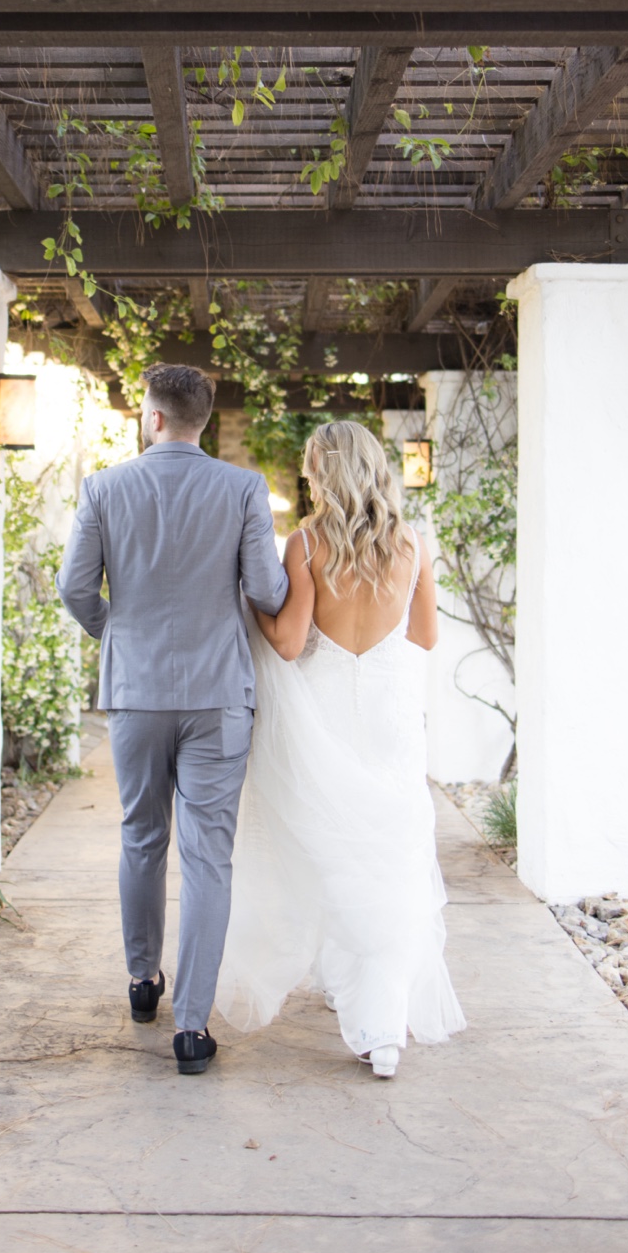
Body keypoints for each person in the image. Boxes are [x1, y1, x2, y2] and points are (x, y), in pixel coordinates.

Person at [215, 419, 466, 1078]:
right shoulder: (413, 544)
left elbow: (291, 644)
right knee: (389, 852)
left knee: (327, 849)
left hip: (322, 710)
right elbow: (427, 638)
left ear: (324, 472)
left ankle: (372, 1014)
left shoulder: (304, 544)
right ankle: (378, 1014)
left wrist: (250, 608)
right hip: (387, 713)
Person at [56, 363, 287, 1076]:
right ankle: (193, 1029)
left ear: (152, 418)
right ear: (202, 422)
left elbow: (73, 587)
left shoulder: (102, 488)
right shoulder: (244, 488)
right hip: (218, 695)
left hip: (136, 690)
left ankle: (140, 984)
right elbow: (268, 589)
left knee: (141, 837)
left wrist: (118, 635)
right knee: (209, 858)